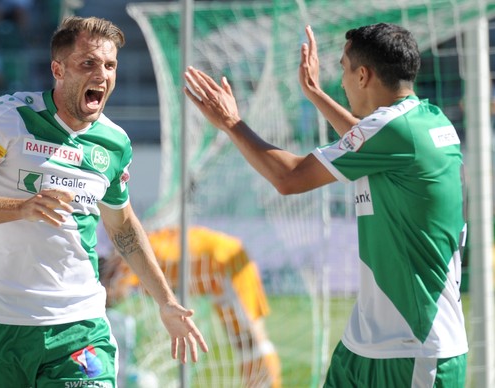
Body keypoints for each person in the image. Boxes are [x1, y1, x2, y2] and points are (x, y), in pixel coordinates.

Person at [184, 23, 467, 387]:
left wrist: (231, 123)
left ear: (363, 75)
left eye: (343, 67)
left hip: (414, 349)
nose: (342, 79)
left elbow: (289, 178)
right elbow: (366, 138)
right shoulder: (426, 119)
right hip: (366, 343)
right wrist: (315, 93)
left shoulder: (395, 131)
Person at [0, 15, 208, 388]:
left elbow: (123, 225)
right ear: (58, 69)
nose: (102, 75)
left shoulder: (113, 142)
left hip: (81, 323)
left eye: (110, 65)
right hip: (1, 323)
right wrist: (22, 207)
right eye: (88, 63)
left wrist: (166, 301)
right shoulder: (9, 118)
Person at [99, 225, 282, 387]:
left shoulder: (126, 264)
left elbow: (110, 296)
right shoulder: (133, 248)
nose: (112, 301)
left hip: (225, 263)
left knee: (251, 340)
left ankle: (272, 384)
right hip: (219, 265)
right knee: (245, 343)